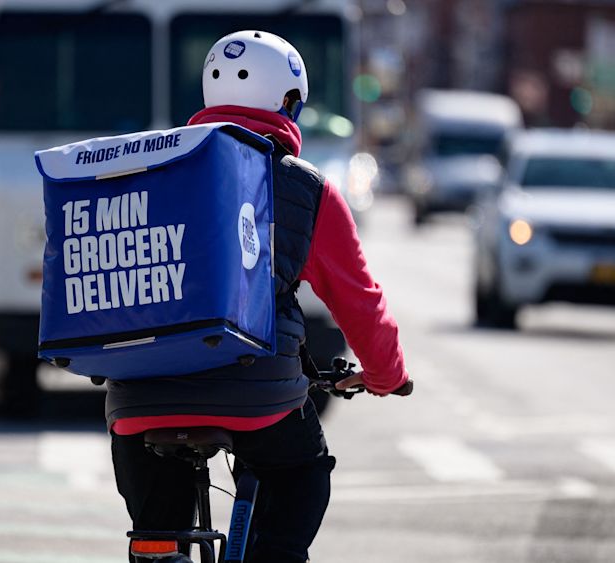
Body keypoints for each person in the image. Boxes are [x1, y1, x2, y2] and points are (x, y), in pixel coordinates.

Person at [107, 30, 410, 563]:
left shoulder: (152, 170)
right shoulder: (308, 188)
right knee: (301, 477)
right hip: (259, 397)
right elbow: (360, 301)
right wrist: (386, 376)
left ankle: (157, 548)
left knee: (156, 530)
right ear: (289, 103)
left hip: (139, 397)